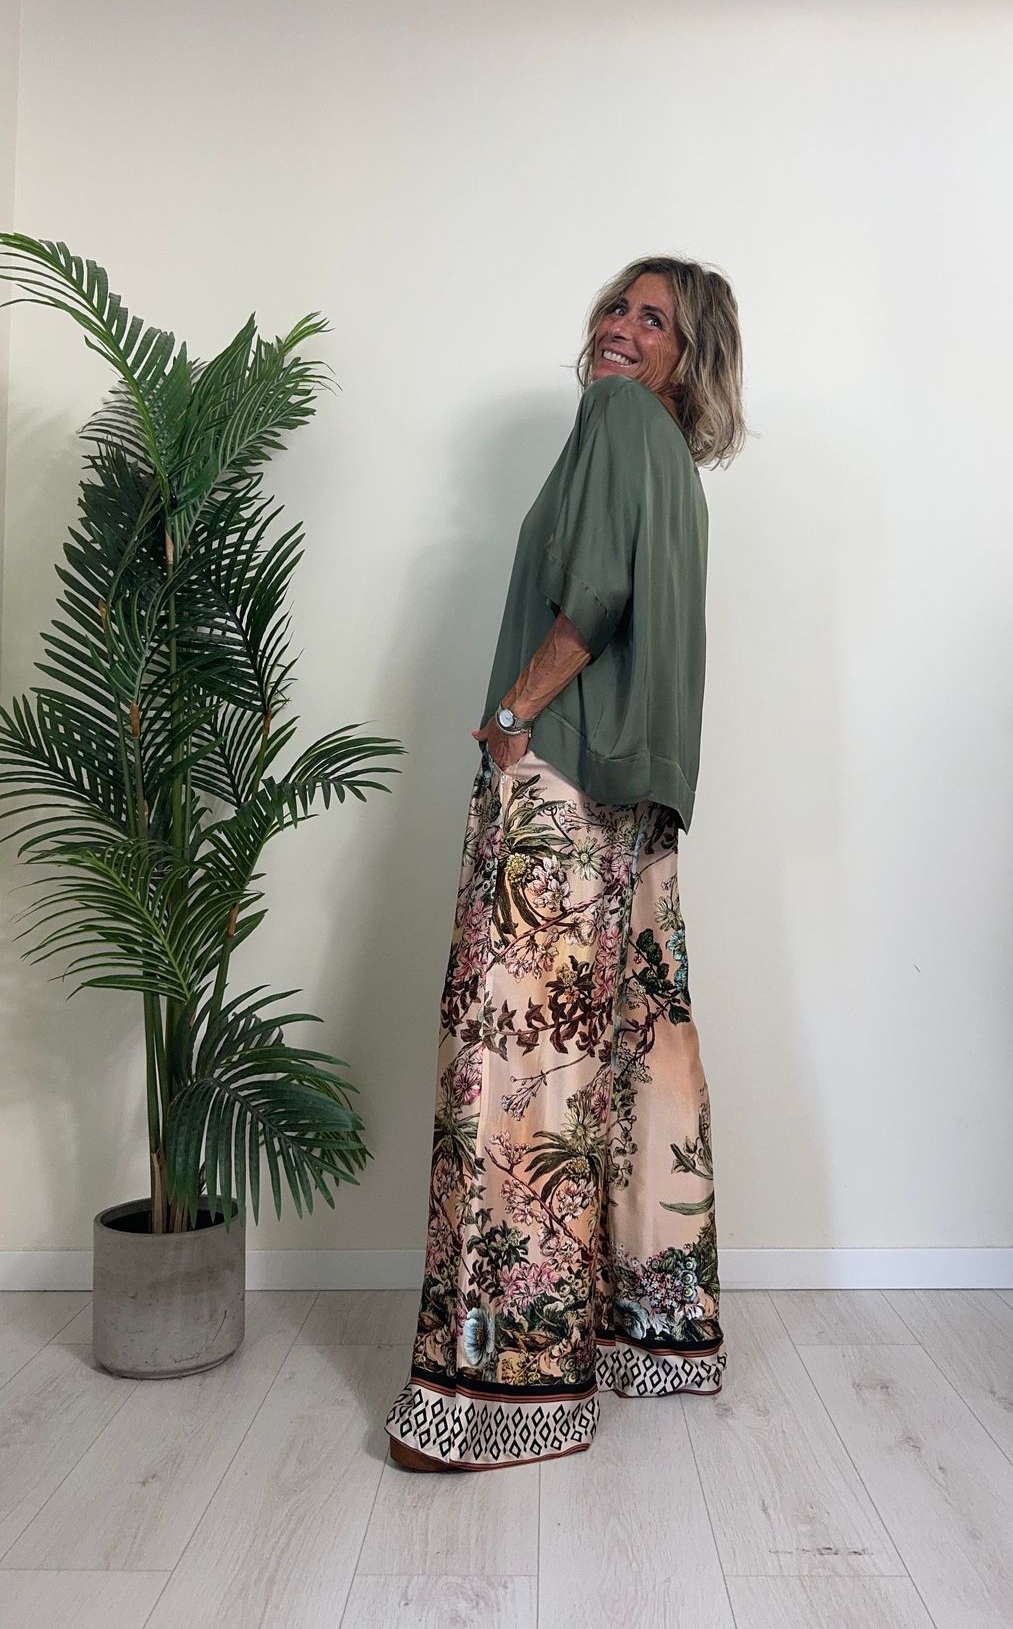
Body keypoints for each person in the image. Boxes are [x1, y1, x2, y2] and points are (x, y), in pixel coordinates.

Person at [384, 255, 749, 1471]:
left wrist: (509, 716)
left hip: (557, 784)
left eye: (653, 320)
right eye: (615, 306)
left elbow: (591, 598)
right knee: (633, 1060)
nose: (619, 328)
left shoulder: (612, 422)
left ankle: (498, 1393)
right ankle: (645, 1335)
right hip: (635, 806)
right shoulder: (675, 470)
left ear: (686, 360)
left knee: (516, 1069)